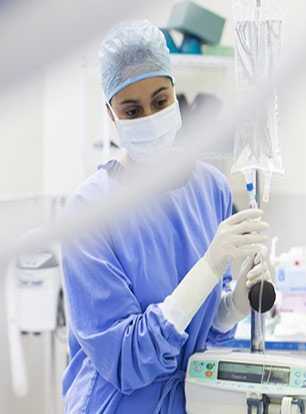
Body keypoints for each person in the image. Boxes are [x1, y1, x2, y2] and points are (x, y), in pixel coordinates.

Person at [61, 19, 270, 413]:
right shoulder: (88, 213)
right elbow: (127, 360)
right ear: (111, 114)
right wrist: (208, 267)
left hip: (189, 401)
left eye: (160, 102)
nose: (150, 118)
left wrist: (233, 307)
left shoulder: (210, 188)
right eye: (132, 110)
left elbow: (201, 330)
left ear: (175, 92)